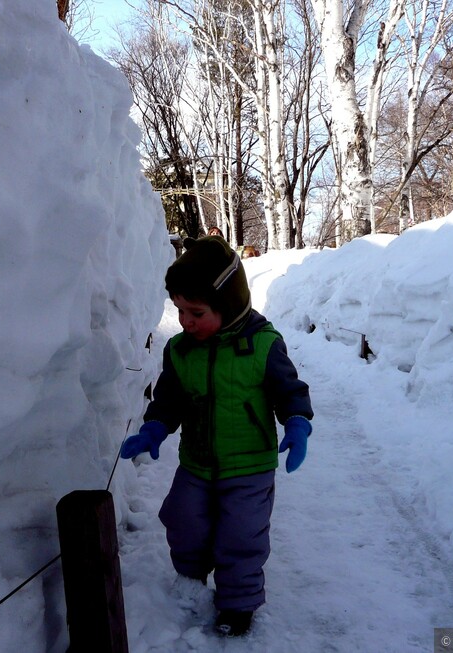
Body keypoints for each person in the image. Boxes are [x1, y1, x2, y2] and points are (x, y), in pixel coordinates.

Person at [120, 235, 313, 637]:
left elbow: (289, 390)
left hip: (250, 466)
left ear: (229, 305)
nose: (186, 321)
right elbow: (169, 398)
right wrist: (155, 427)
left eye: (196, 312)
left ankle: (238, 603)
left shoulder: (263, 346)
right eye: (179, 310)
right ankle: (190, 579)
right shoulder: (180, 350)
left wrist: (296, 422)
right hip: (196, 461)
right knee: (183, 520)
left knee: (241, 535)